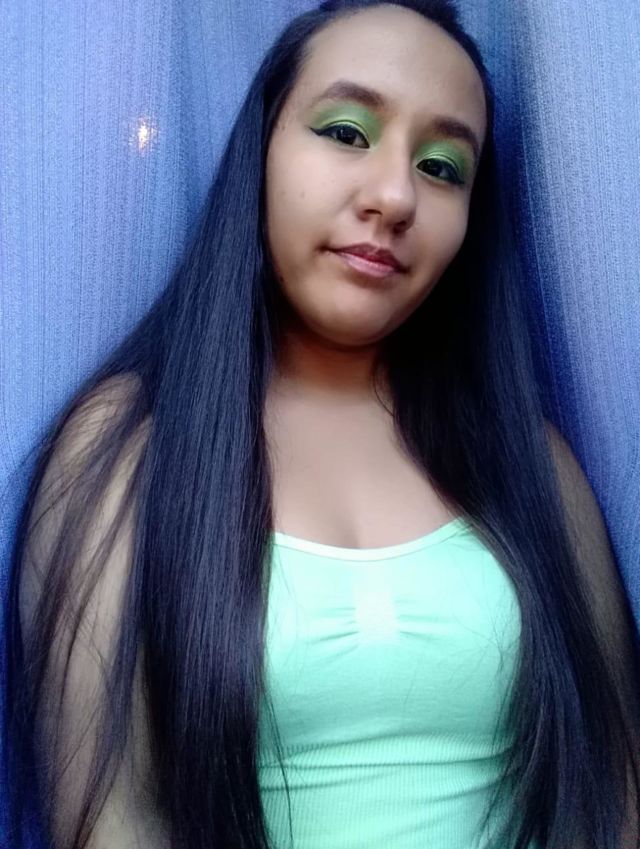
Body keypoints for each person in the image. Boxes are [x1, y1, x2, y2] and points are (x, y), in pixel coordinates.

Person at [5, 1, 640, 847]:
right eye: (346, 132)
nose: (395, 195)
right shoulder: (127, 446)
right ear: (263, 151)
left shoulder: (531, 463)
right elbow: (109, 818)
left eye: (443, 167)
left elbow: (615, 790)